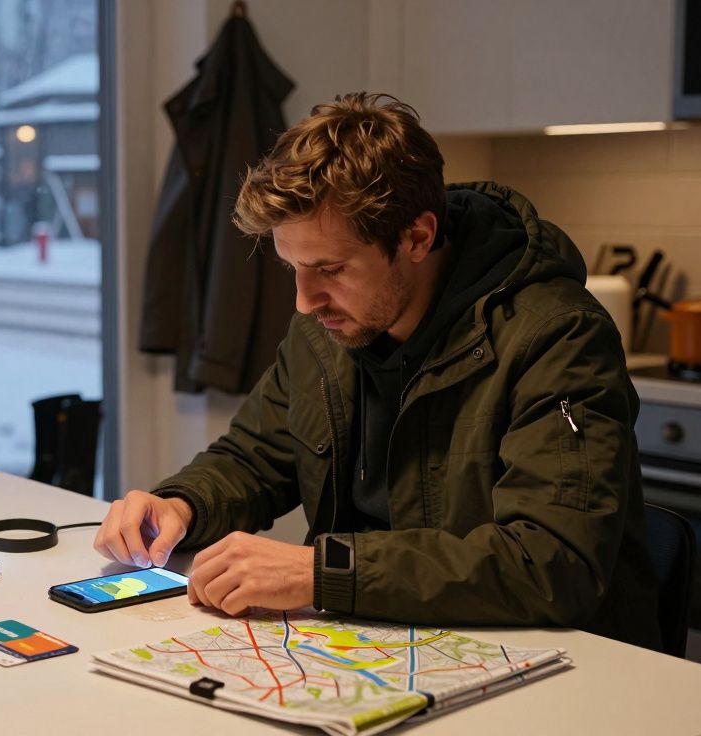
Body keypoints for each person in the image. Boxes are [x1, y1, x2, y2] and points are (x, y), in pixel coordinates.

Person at [95, 92, 660, 649]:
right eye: (291, 267)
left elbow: (553, 562)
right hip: (387, 643)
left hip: (562, 666)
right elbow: (255, 457)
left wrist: (322, 572)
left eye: (330, 269)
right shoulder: (327, 329)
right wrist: (182, 504)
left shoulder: (557, 335)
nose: (304, 300)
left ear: (417, 237)